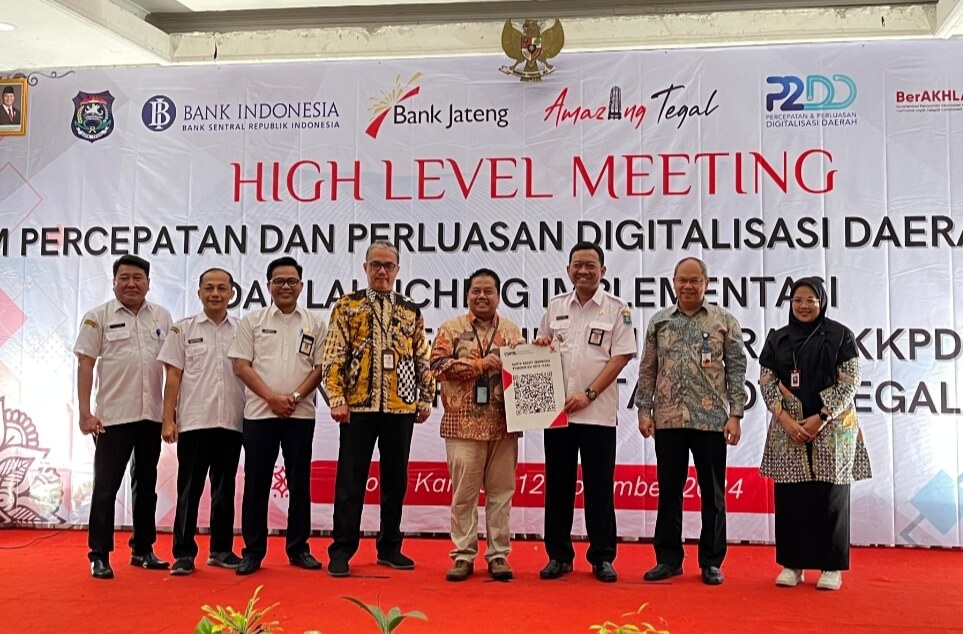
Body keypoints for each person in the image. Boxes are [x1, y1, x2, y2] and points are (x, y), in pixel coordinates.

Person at [322, 240, 435, 577]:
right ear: (365, 268)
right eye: (376, 265)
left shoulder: (410, 310)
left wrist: (426, 397)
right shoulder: (347, 306)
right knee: (350, 482)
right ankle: (342, 549)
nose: (382, 271)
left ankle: (389, 547)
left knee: (395, 481)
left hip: (400, 406)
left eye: (388, 265)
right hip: (357, 407)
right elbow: (334, 354)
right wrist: (337, 398)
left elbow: (422, 355)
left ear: (397, 270)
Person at [636, 257, 747, 586]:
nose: (688, 286)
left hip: (711, 421)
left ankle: (711, 561)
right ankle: (668, 559)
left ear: (706, 283)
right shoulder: (659, 322)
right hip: (668, 419)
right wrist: (644, 411)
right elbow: (648, 369)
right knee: (669, 492)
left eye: (694, 280)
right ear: (673, 282)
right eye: (682, 280)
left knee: (712, 494)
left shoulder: (723, 321)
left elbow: (737, 370)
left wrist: (736, 415)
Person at [759, 277, 871, 591]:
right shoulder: (778, 339)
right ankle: (792, 565)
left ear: (822, 302)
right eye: (797, 300)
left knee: (831, 497)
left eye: (811, 300)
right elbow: (766, 382)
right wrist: (785, 419)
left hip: (832, 426)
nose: (804, 306)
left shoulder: (840, 335)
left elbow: (850, 382)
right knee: (791, 499)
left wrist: (821, 418)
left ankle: (831, 566)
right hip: (788, 427)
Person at [534, 242, 636, 583]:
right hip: (557, 413)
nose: (583, 271)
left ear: (602, 271)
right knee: (558, 487)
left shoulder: (617, 309)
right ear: (568, 270)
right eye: (577, 265)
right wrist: (541, 345)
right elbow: (542, 344)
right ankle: (558, 556)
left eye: (591, 265)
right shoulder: (556, 306)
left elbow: (620, 357)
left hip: (597, 414)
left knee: (599, 488)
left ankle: (602, 557)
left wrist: (589, 394)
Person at [74, 254, 173, 579]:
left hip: (150, 416)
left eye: (138, 278)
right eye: (124, 278)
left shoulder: (161, 316)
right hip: (112, 418)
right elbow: (85, 364)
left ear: (148, 283)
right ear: (114, 282)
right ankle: (99, 554)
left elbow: (173, 368)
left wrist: (170, 413)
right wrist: (85, 413)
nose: (131, 284)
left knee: (146, 486)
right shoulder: (97, 317)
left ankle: (142, 549)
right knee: (106, 487)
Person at [228, 256, 327, 575]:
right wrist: (271, 398)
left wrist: (295, 397)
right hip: (259, 414)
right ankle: (253, 551)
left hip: (301, 414)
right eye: (279, 281)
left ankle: (298, 548)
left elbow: (320, 368)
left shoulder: (315, 323)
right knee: (256, 483)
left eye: (291, 281)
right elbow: (241, 366)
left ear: (301, 285)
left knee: (300, 483)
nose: (286, 286)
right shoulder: (252, 321)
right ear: (268, 285)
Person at [430, 268, 523, 582]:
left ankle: (499, 555)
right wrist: (479, 365)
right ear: (467, 295)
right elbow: (437, 367)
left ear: (498, 295)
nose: (482, 296)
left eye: (488, 291)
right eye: (476, 291)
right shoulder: (451, 328)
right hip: (462, 426)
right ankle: (463, 555)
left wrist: (541, 350)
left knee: (501, 495)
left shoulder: (511, 331)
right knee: (464, 496)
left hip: (504, 426)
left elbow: (527, 369)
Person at [158, 268, 245, 575]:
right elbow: (173, 376)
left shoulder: (242, 330)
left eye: (222, 288)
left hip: (232, 420)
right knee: (189, 489)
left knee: (224, 489)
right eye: (209, 288)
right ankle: (183, 553)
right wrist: (168, 419)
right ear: (199, 292)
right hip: (195, 421)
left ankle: (221, 550)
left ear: (232, 293)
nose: (215, 294)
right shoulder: (183, 329)